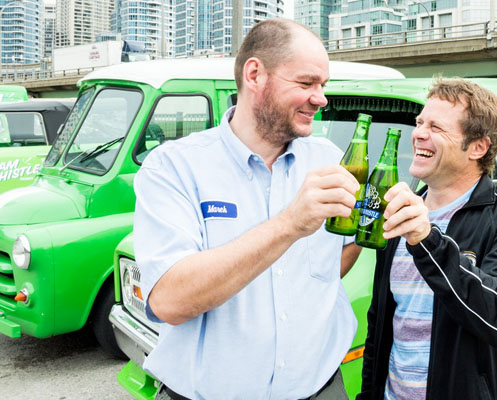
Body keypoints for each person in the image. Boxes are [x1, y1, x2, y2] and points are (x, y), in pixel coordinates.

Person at [133, 19, 362, 400]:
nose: (320, 98)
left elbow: (339, 252)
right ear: (255, 74)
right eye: (306, 84)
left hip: (322, 389)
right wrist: (289, 224)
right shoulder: (173, 167)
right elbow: (169, 301)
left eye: (323, 85)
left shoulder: (328, 159)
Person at [358, 78, 497, 399]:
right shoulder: (401, 210)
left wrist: (428, 241)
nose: (418, 133)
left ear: (477, 147)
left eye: (436, 127)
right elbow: (381, 323)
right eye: (419, 123)